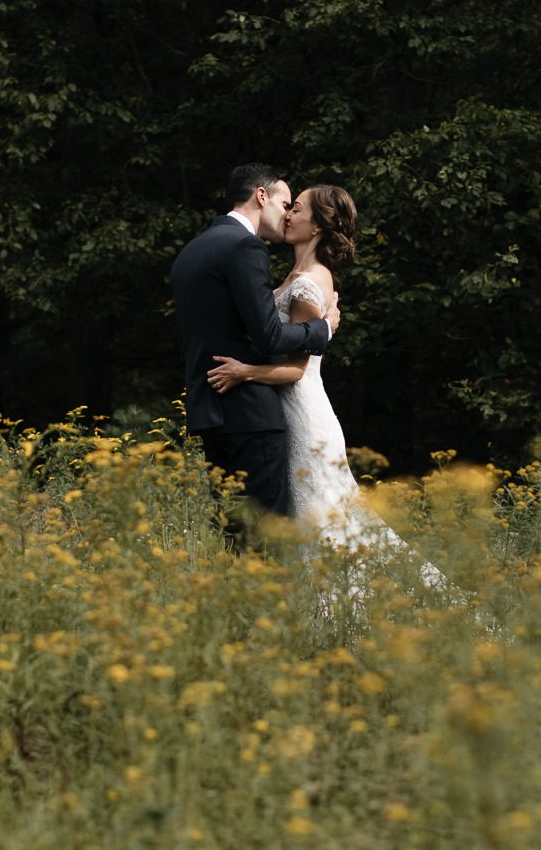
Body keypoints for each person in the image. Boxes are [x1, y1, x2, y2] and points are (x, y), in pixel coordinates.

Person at [206, 184, 445, 589]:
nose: (287, 214)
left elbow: (297, 370)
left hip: (303, 410)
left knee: (320, 518)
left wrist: (244, 371)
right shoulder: (296, 273)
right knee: (308, 519)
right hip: (291, 408)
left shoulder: (309, 282)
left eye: (296, 208)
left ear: (317, 225)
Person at [170, 164, 338, 519]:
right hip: (250, 417)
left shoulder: (192, 251)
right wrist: (322, 330)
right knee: (266, 536)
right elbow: (270, 336)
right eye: (285, 203)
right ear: (262, 196)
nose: (288, 215)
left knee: (234, 535)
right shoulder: (245, 247)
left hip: (210, 412)